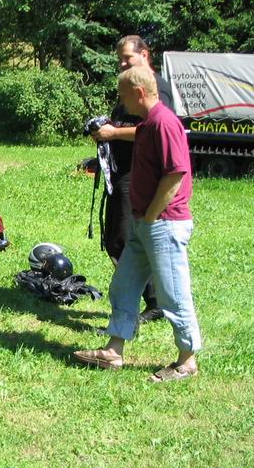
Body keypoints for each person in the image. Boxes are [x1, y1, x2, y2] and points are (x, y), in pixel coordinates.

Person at [73, 66, 202, 382]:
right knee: (124, 285)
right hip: (145, 224)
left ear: (139, 93)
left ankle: (187, 361)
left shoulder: (164, 123)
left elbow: (176, 173)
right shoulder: (148, 124)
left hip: (164, 223)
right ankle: (113, 351)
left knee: (173, 294)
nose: (121, 102)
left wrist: (152, 214)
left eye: (123, 95)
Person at [92, 35, 173, 324]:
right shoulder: (130, 85)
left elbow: (153, 129)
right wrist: (104, 131)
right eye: (120, 60)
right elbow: (128, 124)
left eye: (127, 58)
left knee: (125, 240)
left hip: (136, 175)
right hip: (120, 172)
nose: (123, 64)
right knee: (116, 238)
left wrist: (114, 133)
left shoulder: (156, 88)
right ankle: (142, 301)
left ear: (145, 54)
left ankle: (152, 302)